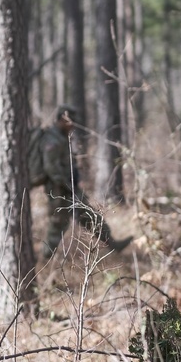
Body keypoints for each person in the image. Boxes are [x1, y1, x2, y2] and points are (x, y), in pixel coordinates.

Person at [39, 104, 132, 258]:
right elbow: (51, 168)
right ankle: (46, 258)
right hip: (58, 190)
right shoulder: (52, 138)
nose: (72, 125)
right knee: (57, 225)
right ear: (62, 119)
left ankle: (113, 244)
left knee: (89, 215)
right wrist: (65, 184)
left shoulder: (61, 137)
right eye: (70, 121)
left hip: (69, 188)